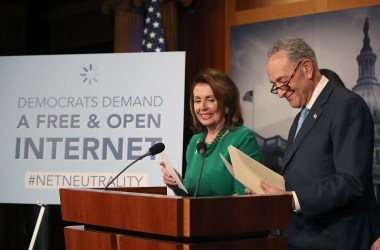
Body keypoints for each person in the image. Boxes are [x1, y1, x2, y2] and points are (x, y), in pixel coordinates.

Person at [252, 36, 379, 249]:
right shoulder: (301, 117)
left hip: (334, 240)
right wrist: (266, 188)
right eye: (275, 86)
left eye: (283, 81)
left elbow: (351, 182)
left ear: (307, 68)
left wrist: (293, 199)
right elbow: (304, 175)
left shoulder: (347, 105)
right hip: (301, 238)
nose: (280, 92)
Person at [161, 68, 262, 197]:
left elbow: (243, 196)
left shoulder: (243, 138)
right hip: (194, 216)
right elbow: (192, 194)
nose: (202, 107)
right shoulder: (195, 142)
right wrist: (178, 185)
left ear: (226, 105)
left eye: (210, 99)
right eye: (197, 100)